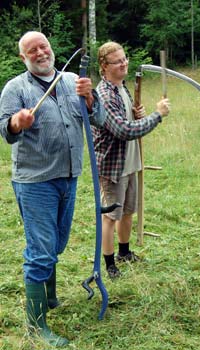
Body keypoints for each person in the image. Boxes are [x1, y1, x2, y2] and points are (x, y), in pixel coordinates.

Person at [0, 31, 105, 347]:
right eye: (32, 50)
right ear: (24, 57)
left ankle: (50, 297)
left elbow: (96, 118)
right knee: (42, 250)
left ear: (51, 48)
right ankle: (36, 328)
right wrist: (17, 123)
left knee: (56, 243)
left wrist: (90, 98)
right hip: (35, 182)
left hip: (69, 176)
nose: (40, 52)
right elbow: (5, 130)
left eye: (43, 46)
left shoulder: (73, 80)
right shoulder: (15, 88)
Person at [92, 41, 170, 279]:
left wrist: (138, 115)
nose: (124, 64)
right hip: (112, 166)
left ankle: (124, 253)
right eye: (118, 61)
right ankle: (109, 264)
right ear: (104, 66)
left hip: (130, 162)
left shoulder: (121, 88)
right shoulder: (104, 94)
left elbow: (129, 121)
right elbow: (124, 131)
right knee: (110, 216)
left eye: (125, 59)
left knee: (127, 211)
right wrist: (157, 115)